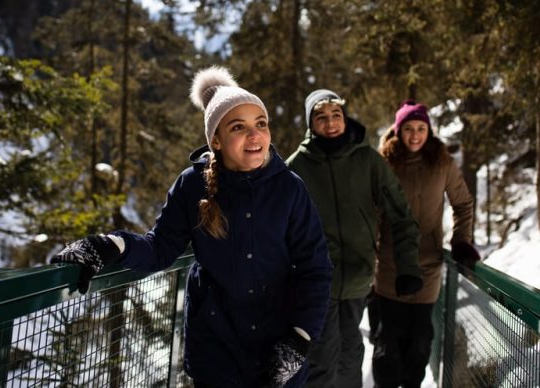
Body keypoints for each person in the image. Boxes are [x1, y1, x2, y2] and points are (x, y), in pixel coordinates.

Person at [50, 66, 333, 388]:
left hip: (278, 349)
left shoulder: (289, 188)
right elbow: (160, 248)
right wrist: (108, 245)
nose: (255, 136)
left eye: (261, 124)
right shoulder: (192, 185)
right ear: (216, 139)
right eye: (238, 127)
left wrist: (300, 338)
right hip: (216, 350)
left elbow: (315, 268)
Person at [286, 89, 423, 388]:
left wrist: (408, 266)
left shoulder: (369, 160)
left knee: (351, 354)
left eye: (336, 115)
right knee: (322, 359)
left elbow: (400, 213)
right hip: (316, 282)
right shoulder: (297, 167)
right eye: (321, 117)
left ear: (345, 118)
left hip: (359, 278)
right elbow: (277, 226)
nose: (331, 122)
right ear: (311, 124)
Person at [372, 99, 479, 388]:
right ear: (398, 131)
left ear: (429, 131)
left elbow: (463, 204)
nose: (415, 135)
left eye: (421, 128)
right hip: (389, 267)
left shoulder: (442, 162)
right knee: (387, 345)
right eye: (408, 128)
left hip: (427, 266)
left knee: (420, 342)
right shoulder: (384, 164)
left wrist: (461, 242)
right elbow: (372, 214)